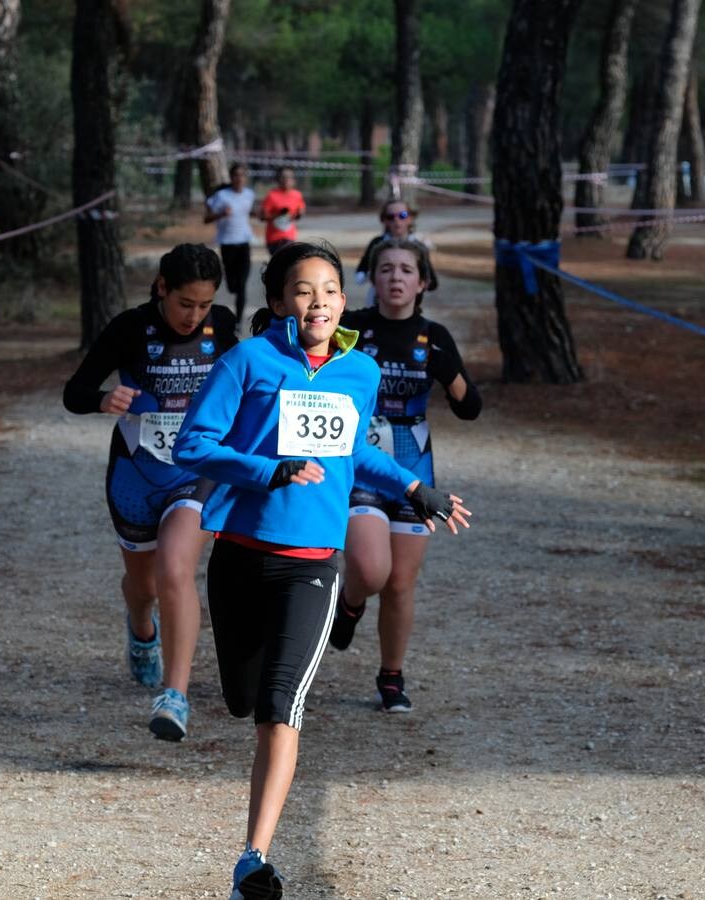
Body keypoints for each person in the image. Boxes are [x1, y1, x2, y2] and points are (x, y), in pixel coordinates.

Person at [172, 241, 471, 898]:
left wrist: (413, 488)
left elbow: (353, 454)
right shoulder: (246, 361)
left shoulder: (358, 371)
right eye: (304, 290)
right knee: (244, 699)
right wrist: (265, 469)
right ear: (280, 300)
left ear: (343, 298)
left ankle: (251, 859)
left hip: (312, 567)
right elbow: (192, 445)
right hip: (241, 558)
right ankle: (251, 815)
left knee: (282, 709)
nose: (319, 303)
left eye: (330, 290)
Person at [62, 243, 237, 742]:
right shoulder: (128, 328)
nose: (194, 316)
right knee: (144, 589)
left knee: (176, 569)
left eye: (204, 305)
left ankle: (175, 695)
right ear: (162, 287)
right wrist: (103, 399)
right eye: (186, 303)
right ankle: (141, 628)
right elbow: (74, 392)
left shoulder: (221, 327)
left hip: (196, 473)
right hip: (136, 476)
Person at [331, 237, 482, 713]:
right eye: (386, 269)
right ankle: (351, 602)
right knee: (372, 569)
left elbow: (470, 407)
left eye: (406, 270)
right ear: (372, 279)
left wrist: (447, 370)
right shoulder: (351, 328)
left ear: (423, 282)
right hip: (362, 463)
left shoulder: (434, 337)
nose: (396, 277)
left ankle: (391, 676)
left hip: (415, 464)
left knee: (400, 582)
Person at [354, 199, 438, 305]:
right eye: (390, 217)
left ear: (411, 218)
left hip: (409, 308)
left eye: (402, 215)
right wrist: (374, 274)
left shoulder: (419, 247)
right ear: (384, 220)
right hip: (377, 304)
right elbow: (360, 275)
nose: (397, 220)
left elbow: (432, 283)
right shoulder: (377, 243)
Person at [204, 162, 257, 329]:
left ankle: (239, 321)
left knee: (241, 286)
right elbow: (206, 219)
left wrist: (261, 214)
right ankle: (231, 284)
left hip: (244, 244)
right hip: (227, 244)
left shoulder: (249, 195)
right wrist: (221, 213)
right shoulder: (221, 196)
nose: (239, 178)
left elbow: (248, 211)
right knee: (232, 286)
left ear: (246, 178)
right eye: (236, 175)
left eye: (242, 175)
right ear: (232, 178)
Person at [259, 167, 306, 256]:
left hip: (289, 237)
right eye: (283, 177)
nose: (286, 180)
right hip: (274, 239)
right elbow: (262, 217)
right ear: (278, 179)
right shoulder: (272, 195)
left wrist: (299, 214)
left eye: (289, 177)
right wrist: (278, 214)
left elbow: (298, 214)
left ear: (294, 180)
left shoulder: (297, 195)